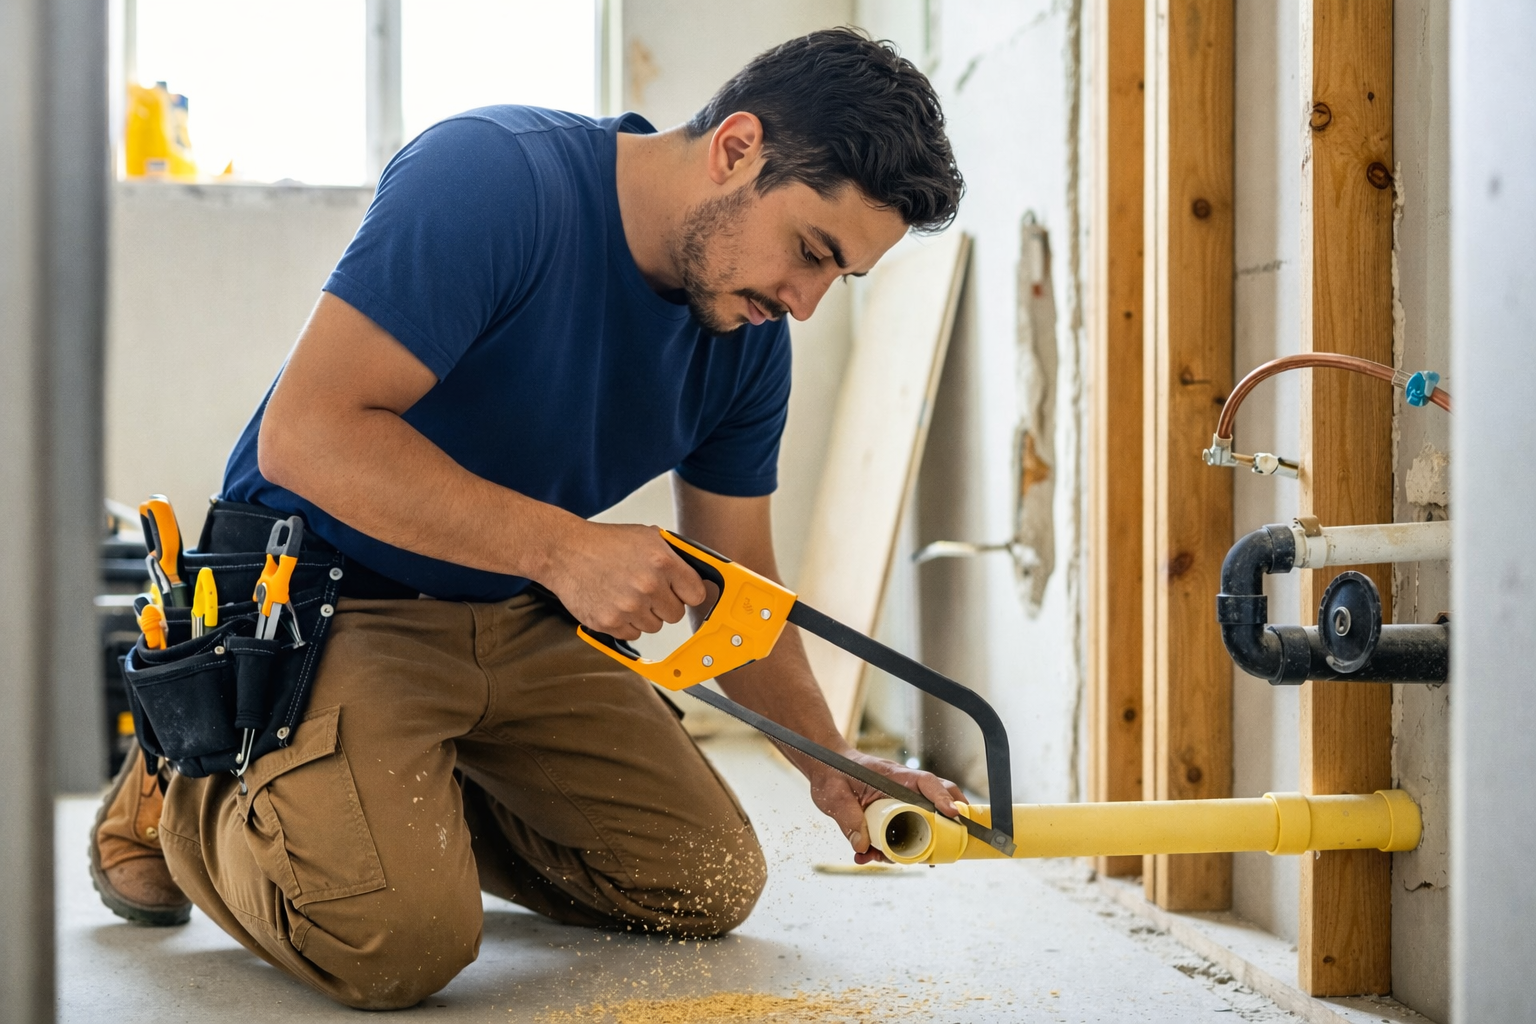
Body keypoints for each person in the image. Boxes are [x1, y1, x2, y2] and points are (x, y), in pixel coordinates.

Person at [90, 27, 967, 1010]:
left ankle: (386, 785)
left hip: (510, 610)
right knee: (396, 943)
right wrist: (565, 548)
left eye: (837, 278)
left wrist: (830, 762)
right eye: (811, 251)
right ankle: (189, 778)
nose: (805, 302)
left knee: (702, 883)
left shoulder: (747, 334)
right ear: (735, 148)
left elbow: (739, 586)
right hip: (327, 598)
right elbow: (308, 436)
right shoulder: (495, 180)